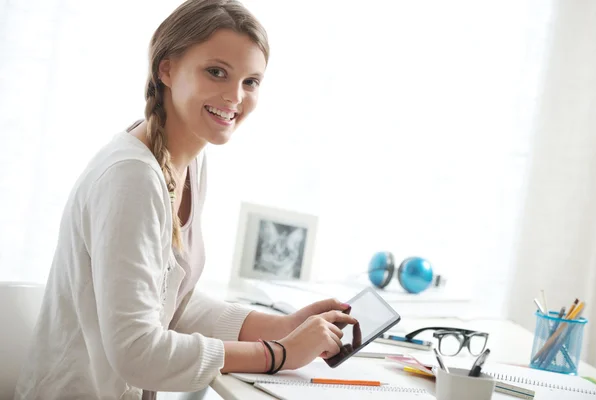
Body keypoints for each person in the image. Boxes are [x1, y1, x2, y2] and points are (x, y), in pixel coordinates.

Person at [13, 0, 357, 399]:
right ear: (167, 69)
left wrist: (280, 327)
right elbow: (137, 351)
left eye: (251, 82)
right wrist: (278, 354)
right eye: (217, 72)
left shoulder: (189, 160)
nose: (235, 97)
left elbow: (170, 304)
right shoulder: (132, 178)